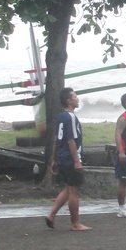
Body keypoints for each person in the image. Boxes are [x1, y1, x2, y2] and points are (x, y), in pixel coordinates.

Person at [44, 87, 91, 231]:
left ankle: (51, 215)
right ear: (69, 100)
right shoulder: (70, 117)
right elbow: (71, 140)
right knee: (74, 191)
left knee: (68, 188)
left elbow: (57, 139)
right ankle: (75, 223)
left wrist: (54, 159)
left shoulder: (60, 117)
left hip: (62, 157)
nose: (77, 99)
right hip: (70, 158)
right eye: (75, 97)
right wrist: (77, 160)